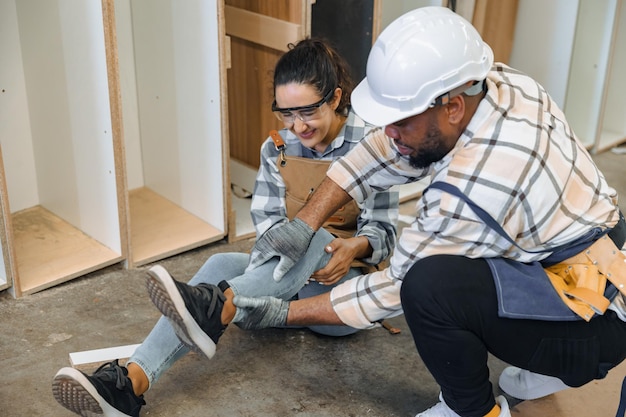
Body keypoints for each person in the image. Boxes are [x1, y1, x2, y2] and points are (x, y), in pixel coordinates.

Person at [231, 7, 626, 417]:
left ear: (452, 107)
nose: (389, 133)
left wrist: (282, 312)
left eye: (400, 121)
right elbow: (385, 151)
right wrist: (305, 223)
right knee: (464, 254)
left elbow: (391, 288)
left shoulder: (472, 186)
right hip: (593, 266)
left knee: (428, 288)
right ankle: (549, 362)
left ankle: (471, 408)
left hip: (594, 320)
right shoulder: (501, 84)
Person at [51, 38, 398, 417]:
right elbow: (268, 232)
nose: (297, 126)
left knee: (313, 236)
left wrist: (352, 249)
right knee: (220, 264)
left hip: (342, 298)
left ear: (334, 98)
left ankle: (217, 306)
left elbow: (384, 232)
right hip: (280, 289)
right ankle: (130, 384)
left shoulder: (372, 143)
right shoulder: (277, 149)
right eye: (286, 113)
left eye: (308, 112)